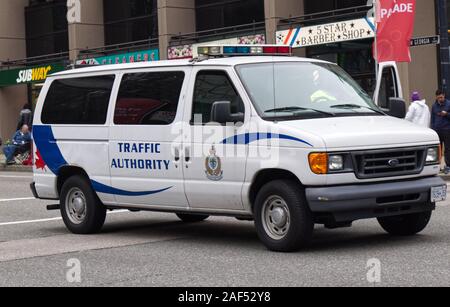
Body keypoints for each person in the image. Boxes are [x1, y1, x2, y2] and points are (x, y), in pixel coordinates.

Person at [431, 89, 450, 173]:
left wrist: (446, 114)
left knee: (448, 149)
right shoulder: (434, 106)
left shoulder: (449, 104)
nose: (440, 99)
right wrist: (432, 129)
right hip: (437, 130)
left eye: (441, 97)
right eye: (438, 98)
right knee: (438, 149)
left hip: (447, 130)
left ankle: (448, 166)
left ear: (444, 96)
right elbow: (432, 119)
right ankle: (437, 166)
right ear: (436, 97)